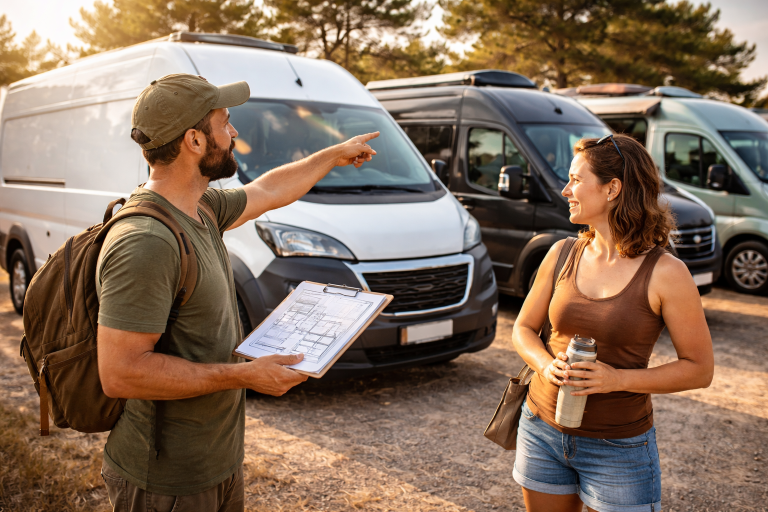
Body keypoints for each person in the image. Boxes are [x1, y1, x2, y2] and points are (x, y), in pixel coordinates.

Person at [96, 73, 379, 511]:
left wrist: (335, 154)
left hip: (218, 464)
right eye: (224, 122)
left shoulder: (201, 208)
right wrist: (244, 375)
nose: (234, 133)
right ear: (193, 140)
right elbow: (121, 373)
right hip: (167, 483)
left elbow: (267, 190)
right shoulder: (146, 241)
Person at [511, 133, 714, 512]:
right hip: (541, 429)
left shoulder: (667, 273)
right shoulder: (561, 253)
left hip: (618, 447)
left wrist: (617, 380)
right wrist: (544, 364)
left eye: (575, 179)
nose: (564, 190)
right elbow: (522, 329)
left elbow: (699, 370)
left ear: (612, 188)